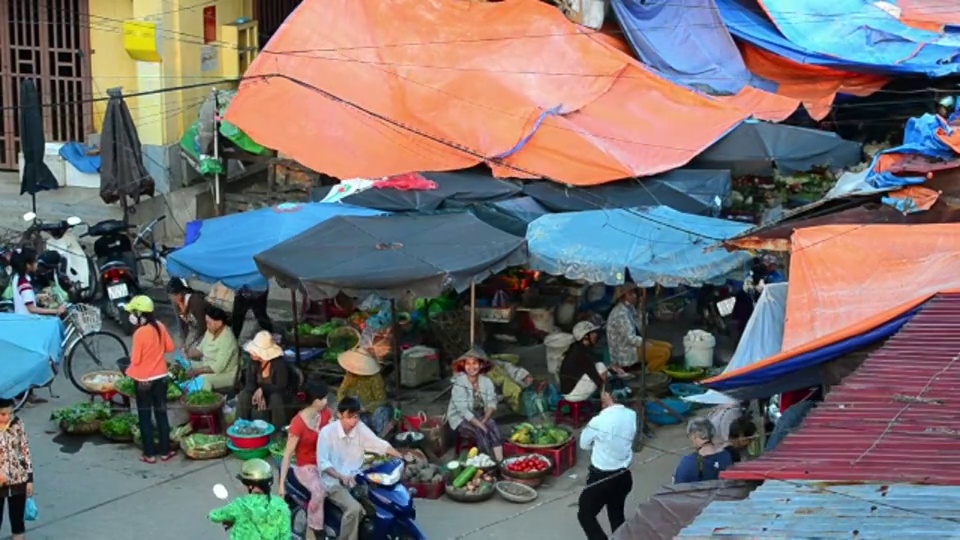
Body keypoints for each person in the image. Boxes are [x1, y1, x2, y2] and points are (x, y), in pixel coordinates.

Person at [316, 397, 403, 540]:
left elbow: (379, 444)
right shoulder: (327, 433)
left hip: (355, 479)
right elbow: (323, 463)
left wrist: (400, 456)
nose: (353, 421)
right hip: (332, 483)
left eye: (356, 416)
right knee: (354, 509)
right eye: (349, 417)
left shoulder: (360, 428)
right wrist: (341, 476)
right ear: (339, 415)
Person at [124, 295, 177, 464]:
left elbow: (136, 359)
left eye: (132, 312)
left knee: (144, 416)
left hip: (143, 381)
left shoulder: (139, 333)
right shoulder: (159, 326)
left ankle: (149, 454)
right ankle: (165, 451)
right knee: (161, 414)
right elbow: (170, 347)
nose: (130, 315)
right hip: (161, 377)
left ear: (139, 313)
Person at [578, 389, 636, 540]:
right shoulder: (631, 414)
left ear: (609, 396)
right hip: (623, 476)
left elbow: (584, 444)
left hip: (601, 478)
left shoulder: (599, 421)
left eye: (604, 392)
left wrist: (598, 446)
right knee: (616, 514)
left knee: (585, 514)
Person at [278, 381, 333, 540]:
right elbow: (287, 455)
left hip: (324, 462)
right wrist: (281, 486)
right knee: (319, 492)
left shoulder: (326, 414)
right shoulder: (298, 423)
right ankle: (316, 527)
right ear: (314, 401)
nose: (325, 402)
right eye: (322, 399)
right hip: (306, 467)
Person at [209, 458, 292, 540]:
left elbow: (214, 516)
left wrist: (229, 518)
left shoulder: (239, 504)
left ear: (250, 486)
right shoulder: (281, 506)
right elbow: (286, 535)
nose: (240, 485)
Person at [446, 347, 504, 462]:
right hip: (460, 418)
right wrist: (480, 425)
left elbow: (492, 402)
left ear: (481, 365)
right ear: (464, 365)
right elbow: (463, 411)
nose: (471, 367)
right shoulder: (459, 383)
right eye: (468, 363)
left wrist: (485, 420)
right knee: (481, 431)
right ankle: (487, 461)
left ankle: (500, 460)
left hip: (479, 415)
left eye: (475, 363)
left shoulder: (486, 381)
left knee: (492, 424)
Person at [237, 331, 290, 429]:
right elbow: (249, 383)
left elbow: (281, 386)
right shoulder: (253, 363)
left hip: (277, 396)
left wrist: (263, 390)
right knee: (243, 395)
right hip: (258, 394)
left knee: (275, 398)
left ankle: (277, 432)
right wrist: (256, 391)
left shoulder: (279, 364)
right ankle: (241, 427)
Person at [336, 349, 395, 437]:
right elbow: (341, 392)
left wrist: (365, 408)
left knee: (381, 412)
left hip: (371, 411)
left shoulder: (374, 378)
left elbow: (382, 400)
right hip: (356, 411)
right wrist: (347, 407)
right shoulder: (349, 376)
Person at [184, 305, 241, 392]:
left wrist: (197, 371)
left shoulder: (228, 340)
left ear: (219, 323)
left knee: (203, 379)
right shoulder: (210, 331)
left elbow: (217, 368)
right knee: (185, 365)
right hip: (206, 364)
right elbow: (200, 349)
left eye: (208, 323)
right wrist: (187, 353)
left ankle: (204, 403)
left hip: (225, 374)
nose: (207, 325)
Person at [0, 397, 33, 540]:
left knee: (18, 521)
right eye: (2, 414)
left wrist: (30, 479)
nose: (7, 417)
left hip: (18, 478)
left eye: (10, 413)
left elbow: (25, 451)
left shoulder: (17, 424)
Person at [673, 418, 734, 484]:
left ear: (694, 436)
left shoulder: (687, 462)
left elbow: (677, 486)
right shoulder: (727, 455)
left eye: (689, 436)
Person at [559, 320, 607, 402]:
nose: (595, 335)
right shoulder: (581, 353)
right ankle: (605, 400)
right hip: (573, 395)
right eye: (592, 333)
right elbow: (596, 377)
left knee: (599, 366)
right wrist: (605, 390)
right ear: (585, 337)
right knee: (601, 368)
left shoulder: (577, 348)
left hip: (568, 391)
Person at [9, 248, 65, 317]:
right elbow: (32, 309)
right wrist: (56, 311)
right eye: (35, 261)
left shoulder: (17, 277)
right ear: (28, 265)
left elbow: (24, 298)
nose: (37, 264)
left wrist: (37, 296)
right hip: (28, 321)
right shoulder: (24, 283)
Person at [605, 284, 644, 378]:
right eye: (630, 294)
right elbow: (630, 338)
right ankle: (648, 375)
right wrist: (644, 342)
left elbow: (640, 327)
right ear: (623, 297)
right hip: (625, 351)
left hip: (634, 343)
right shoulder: (620, 313)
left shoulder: (629, 308)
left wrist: (641, 309)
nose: (634, 295)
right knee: (662, 353)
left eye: (634, 293)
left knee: (667, 347)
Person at [167, 278, 207, 352]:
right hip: (193, 327)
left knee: (193, 351)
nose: (172, 299)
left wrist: (194, 342)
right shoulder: (177, 303)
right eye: (170, 297)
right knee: (182, 348)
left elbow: (202, 326)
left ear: (181, 293)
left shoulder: (196, 302)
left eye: (173, 296)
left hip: (205, 329)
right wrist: (184, 340)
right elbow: (182, 323)